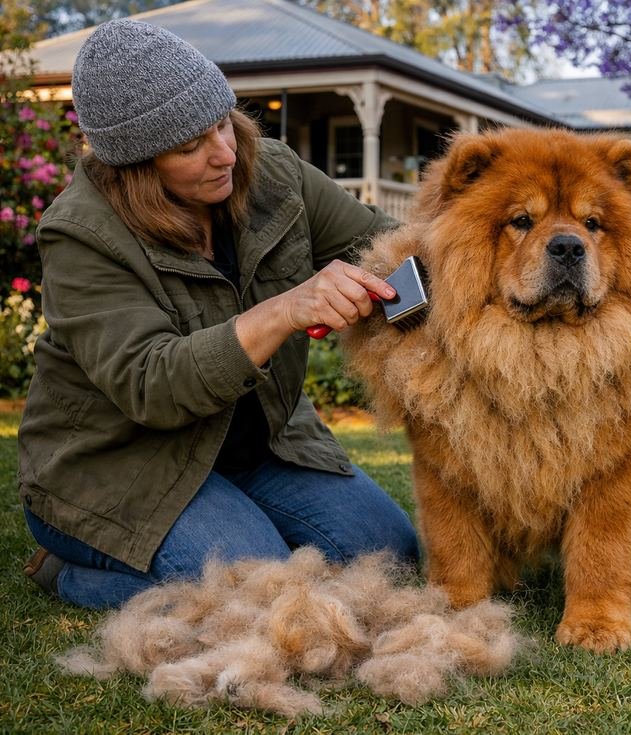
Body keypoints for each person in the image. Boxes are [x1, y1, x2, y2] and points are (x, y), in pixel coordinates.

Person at [18, 19, 420, 609]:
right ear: (136, 164)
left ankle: (237, 521)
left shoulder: (276, 173)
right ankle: (68, 572)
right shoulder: (81, 234)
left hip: (263, 448)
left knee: (391, 554)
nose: (224, 153)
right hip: (122, 465)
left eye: (222, 122)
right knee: (260, 592)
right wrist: (284, 310)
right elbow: (151, 385)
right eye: (190, 147)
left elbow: (392, 247)